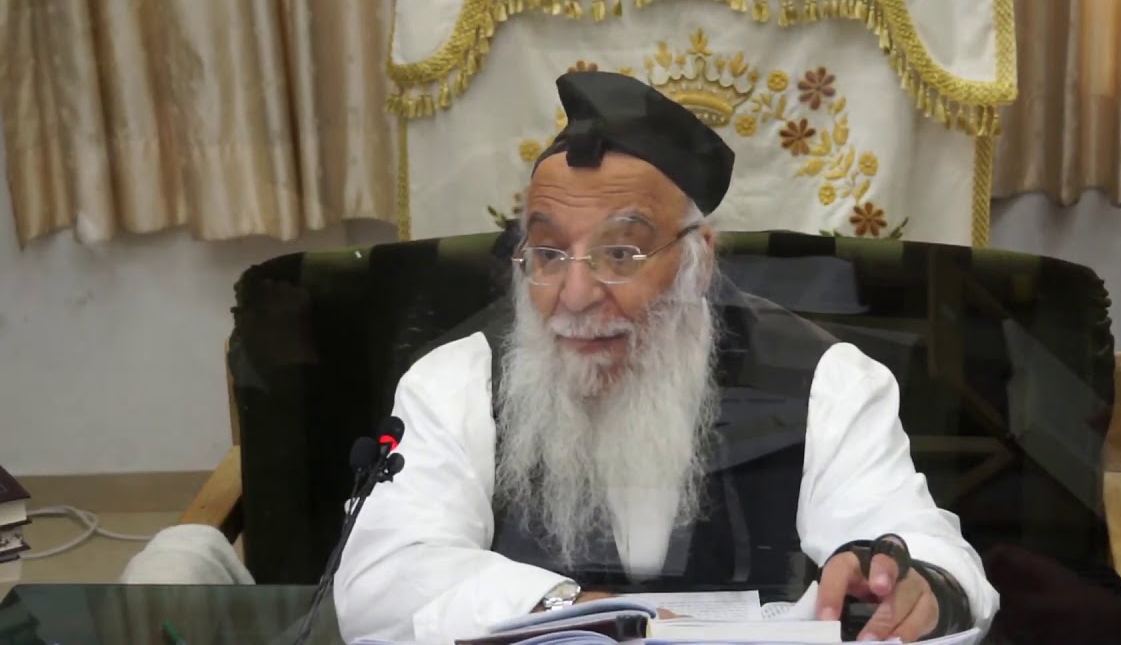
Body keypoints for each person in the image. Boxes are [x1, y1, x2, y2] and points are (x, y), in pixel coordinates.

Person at [333, 71, 999, 644]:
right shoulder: (458, 381)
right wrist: (577, 611)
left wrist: (916, 584)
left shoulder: (825, 380)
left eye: (621, 253)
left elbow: (924, 549)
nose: (575, 295)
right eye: (549, 253)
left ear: (697, 260)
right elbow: (381, 577)